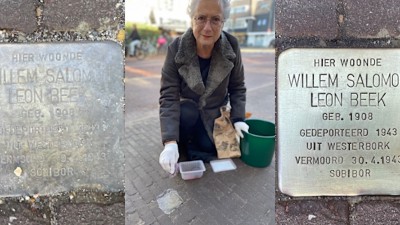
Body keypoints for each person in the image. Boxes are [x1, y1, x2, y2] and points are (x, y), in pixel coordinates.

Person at [158, 0, 248, 174]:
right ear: (192, 19)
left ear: (223, 22)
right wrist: (169, 142)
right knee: (188, 114)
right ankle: (180, 141)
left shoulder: (232, 46)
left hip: (214, 114)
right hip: (186, 114)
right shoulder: (175, 49)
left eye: (215, 19)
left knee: (207, 147)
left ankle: (192, 142)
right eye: (201, 18)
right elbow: (168, 95)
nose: (207, 28)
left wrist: (238, 119)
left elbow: (238, 87)